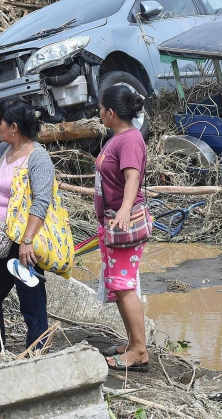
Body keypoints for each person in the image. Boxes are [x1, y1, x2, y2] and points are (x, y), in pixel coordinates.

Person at [0, 98, 55, 352]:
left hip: (25, 240)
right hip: (2, 240)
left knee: (31, 301)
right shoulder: (3, 151)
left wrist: (27, 240)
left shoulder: (38, 158)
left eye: (0, 123)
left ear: (13, 127)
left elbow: (41, 201)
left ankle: (37, 353)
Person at [95, 85, 150, 372]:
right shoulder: (119, 138)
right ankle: (132, 342)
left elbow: (132, 178)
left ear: (111, 113)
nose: (99, 112)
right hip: (113, 223)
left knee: (124, 286)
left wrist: (126, 209)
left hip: (123, 223)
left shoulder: (129, 141)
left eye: (101, 108)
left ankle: (139, 351)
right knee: (118, 286)